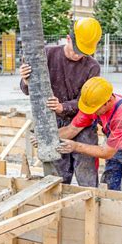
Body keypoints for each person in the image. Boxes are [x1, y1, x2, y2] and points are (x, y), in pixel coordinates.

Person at [19, 18, 102, 186]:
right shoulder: (46, 56)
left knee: (86, 170)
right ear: (68, 39)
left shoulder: (92, 66)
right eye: (76, 49)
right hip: (53, 122)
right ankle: (58, 206)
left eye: (83, 52)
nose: (78, 55)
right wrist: (27, 81)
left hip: (82, 122)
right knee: (57, 172)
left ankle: (91, 204)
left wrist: (63, 107)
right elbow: (28, 90)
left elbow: (87, 101)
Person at [56, 77, 122, 194]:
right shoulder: (92, 105)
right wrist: (48, 139)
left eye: (94, 109)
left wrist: (75, 146)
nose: (90, 112)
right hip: (116, 144)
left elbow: (107, 152)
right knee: (110, 185)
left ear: (108, 101)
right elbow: (72, 129)